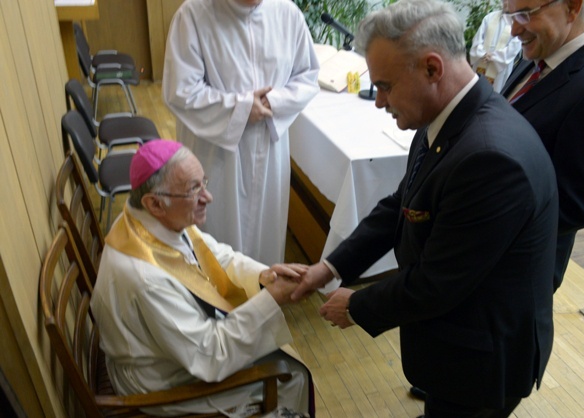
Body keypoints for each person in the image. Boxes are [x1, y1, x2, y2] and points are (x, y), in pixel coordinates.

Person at [291, 1, 560, 416]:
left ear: (432, 69)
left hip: (483, 360)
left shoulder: (490, 157)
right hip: (457, 341)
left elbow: (439, 282)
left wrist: (357, 305)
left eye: (385, 85)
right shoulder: (445, 117)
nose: (379, 101)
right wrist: (330, 267)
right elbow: (402, 203)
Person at [90, 140, 312, 417]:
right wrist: (271, 299)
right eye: (194, 189)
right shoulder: (146, 278)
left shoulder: (146, 220)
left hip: (168, 350)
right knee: (291, 376)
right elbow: (210, 355)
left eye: (202, 182)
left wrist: (262, 277)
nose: (208, 197)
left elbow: (215, 255)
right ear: (155, 203)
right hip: (162, 384)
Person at [162, 0, 320, 266]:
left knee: (266, 235)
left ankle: (263, 293)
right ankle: (216, 301)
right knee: (218, 232)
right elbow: (180, 91)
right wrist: (242, 108)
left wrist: (275, 101)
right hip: (216, 152)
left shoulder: (287, 13)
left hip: (270, 148)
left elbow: (307, 75)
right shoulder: (194, 14)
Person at [501, 0, 584, 291]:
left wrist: (479, 209)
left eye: (524, 15)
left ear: (572, 7)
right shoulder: (537, 53)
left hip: (516, 271)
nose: (513, 29)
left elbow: (577, 205)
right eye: (508, 15)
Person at [469, 1, 522, 92]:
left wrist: (494, 56)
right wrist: (483, 53)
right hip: (481, 60)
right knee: (475, 90)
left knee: (495, 92)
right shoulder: (489, 17)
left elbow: (515, 46)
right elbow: (477, 40)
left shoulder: (519, 21)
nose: (506, 3)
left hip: (499, 67)